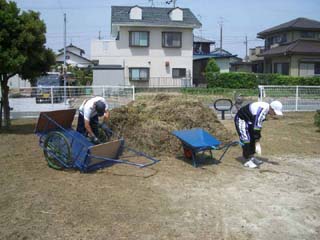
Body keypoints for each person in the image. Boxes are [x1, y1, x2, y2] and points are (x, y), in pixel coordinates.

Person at [234, 100, 283, 168]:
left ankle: (251, 157)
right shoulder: (262, 109)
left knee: (252, 138)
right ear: (271, 108)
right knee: (246, 139)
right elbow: (256, 127)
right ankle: (247, 160)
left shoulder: (266, 110)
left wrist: (256, 138)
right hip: (242, 119)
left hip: (250, 120)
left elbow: (258, 125)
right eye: (274, 112)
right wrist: (257, 139)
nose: (274, 114)